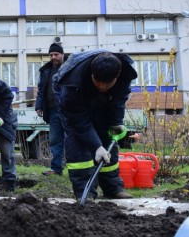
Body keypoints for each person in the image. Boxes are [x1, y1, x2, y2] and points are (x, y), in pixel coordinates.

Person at [53, 50, 137, 200]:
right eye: (98, 82)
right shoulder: (71, 82)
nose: (102, 87)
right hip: (76, 104)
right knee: (78, 146)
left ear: (117, 76)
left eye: (107, 83)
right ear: (92, 73)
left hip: (102, 104)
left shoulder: (124, 76)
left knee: (109, 142)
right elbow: (78, 121)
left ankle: (113, 188)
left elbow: (118, 101)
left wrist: (116, 123)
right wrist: (96, 146)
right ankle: (85, 192)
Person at [35, 42, 65, 176]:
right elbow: (41, 89)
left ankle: (79, 168)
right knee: (55, 140)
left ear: (62, 55)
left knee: (73, 139)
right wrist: (39, 105)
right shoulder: (46, 70)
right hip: (53, 110)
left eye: (56, 54)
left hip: (70, 111)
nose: (53, 57)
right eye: (51, 55)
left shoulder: (71, 66)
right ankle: (56, 169)